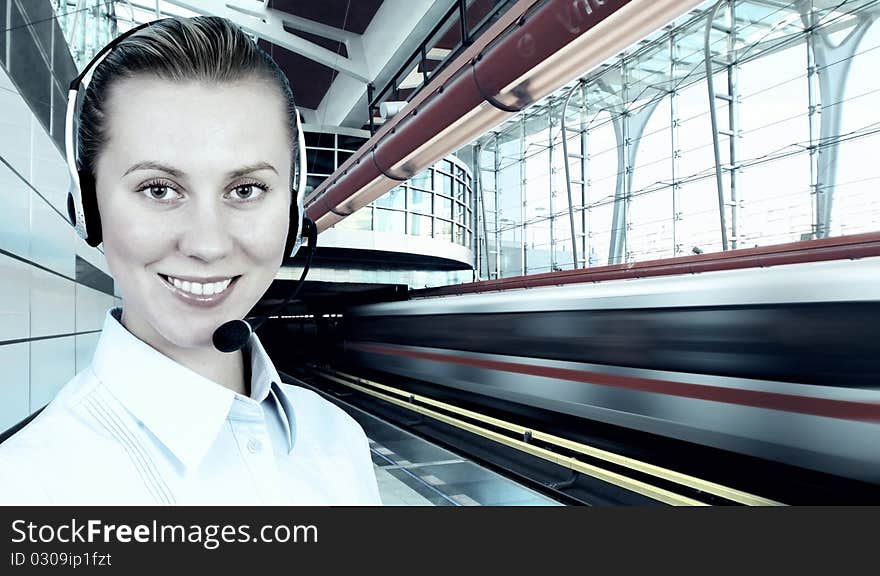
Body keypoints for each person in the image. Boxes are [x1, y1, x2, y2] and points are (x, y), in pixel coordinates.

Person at [0, 16, 381, 505]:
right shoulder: (28, 489)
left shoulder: (339, 440)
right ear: (88, 208)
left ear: (291, 206)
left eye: (246, 189)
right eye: (159, 189)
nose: (207, 243)